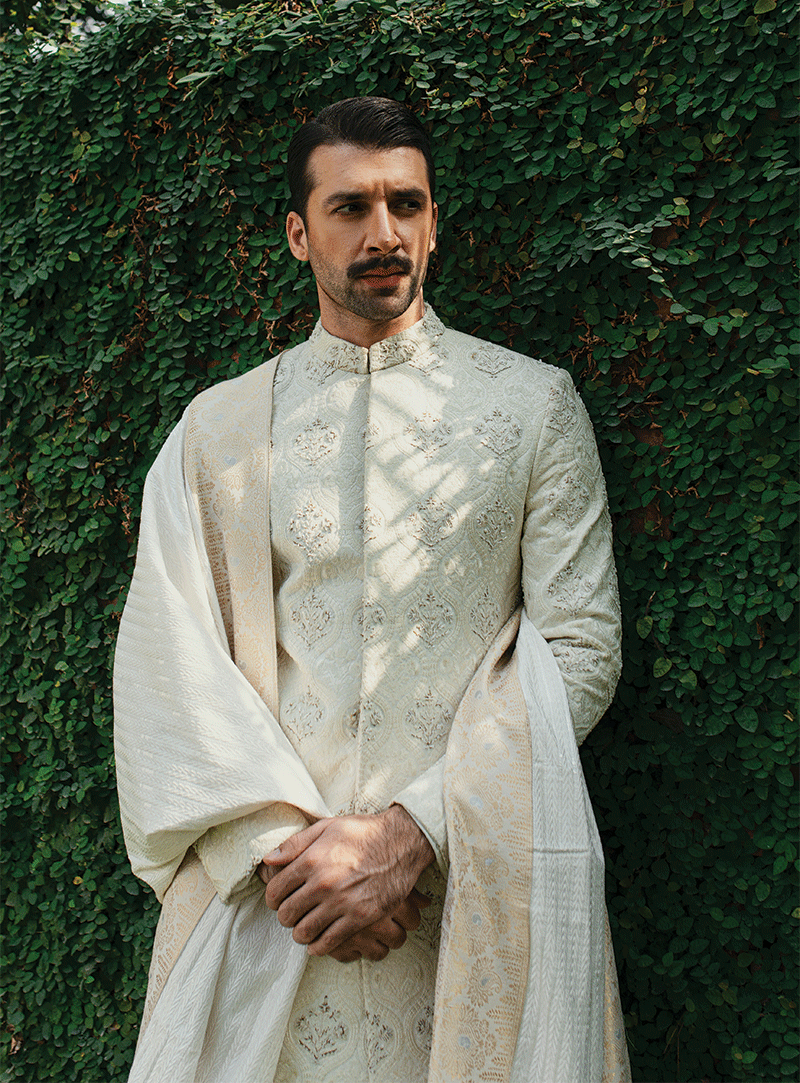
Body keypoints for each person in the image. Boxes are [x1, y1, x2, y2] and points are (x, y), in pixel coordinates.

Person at [114, 96, 631, 1082]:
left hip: (467, 891)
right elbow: (167, 673)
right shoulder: (217, 431)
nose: (383, 233)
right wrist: (294, 867)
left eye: (406, 204)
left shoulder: (531, 407)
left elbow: (579, 648)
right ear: (297, 233)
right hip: (272, 912)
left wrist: (411, 834)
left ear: (434, 223)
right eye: (350, 207)